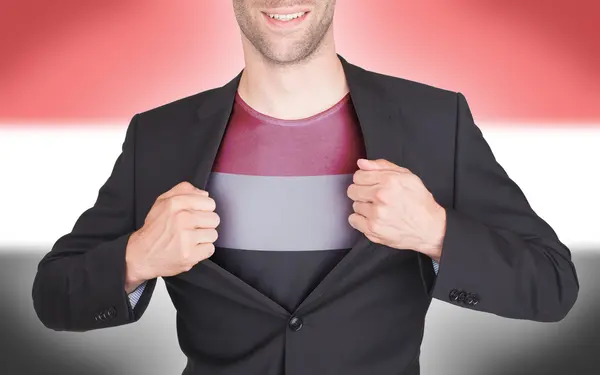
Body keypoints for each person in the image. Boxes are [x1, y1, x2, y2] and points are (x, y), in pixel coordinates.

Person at [31, 1, 579, 374]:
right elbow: (54, 295)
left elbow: (552, 284)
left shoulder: (436, 121)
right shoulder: (159, 135)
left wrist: (437, 233)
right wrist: (137, 258)